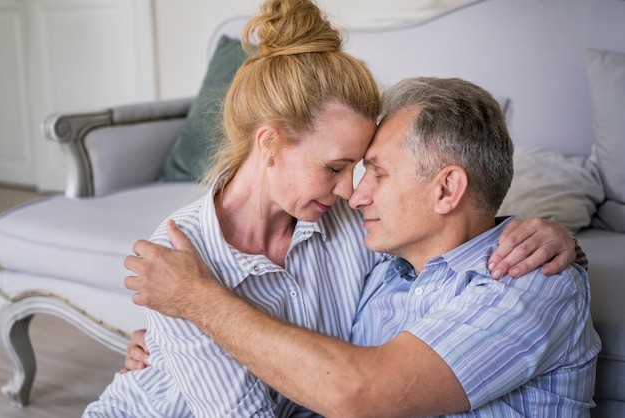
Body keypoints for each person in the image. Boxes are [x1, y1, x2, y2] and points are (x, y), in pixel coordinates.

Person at [125, 76, 600, 417]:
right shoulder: (385, 266)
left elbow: (357, 393)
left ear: (446, 190)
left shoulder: (523, 284)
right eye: (352, 171)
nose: (356, 193)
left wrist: (197, 301)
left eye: (377, 172)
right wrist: (170, 344)